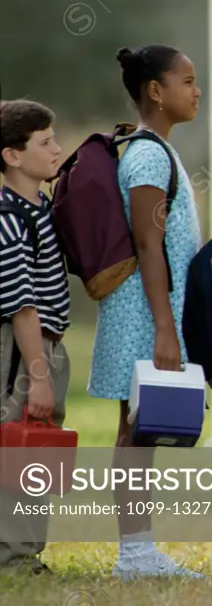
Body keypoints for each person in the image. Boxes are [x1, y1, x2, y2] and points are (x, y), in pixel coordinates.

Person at [88, 44, 205, 580]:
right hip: (143, 313)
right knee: (136, 434)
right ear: (156, 92)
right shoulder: (148, 155)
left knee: (141, 432)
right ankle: (134, 556)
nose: (196, 90)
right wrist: (164, 328)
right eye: (187, 81)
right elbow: (146, 242)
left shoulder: (158, 149)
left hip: (155, 312)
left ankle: (138, 551)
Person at [0, 99, 71, 576]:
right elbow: (22, 306)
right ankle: (13, 559)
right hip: (25, 352)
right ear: (12, 156)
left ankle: (26, 553)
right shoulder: (7, 218)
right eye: (44, 143)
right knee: (17, 447)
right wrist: (39, 376)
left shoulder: (39, 204)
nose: (57, 150)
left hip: (46, 346)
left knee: (36, 451)